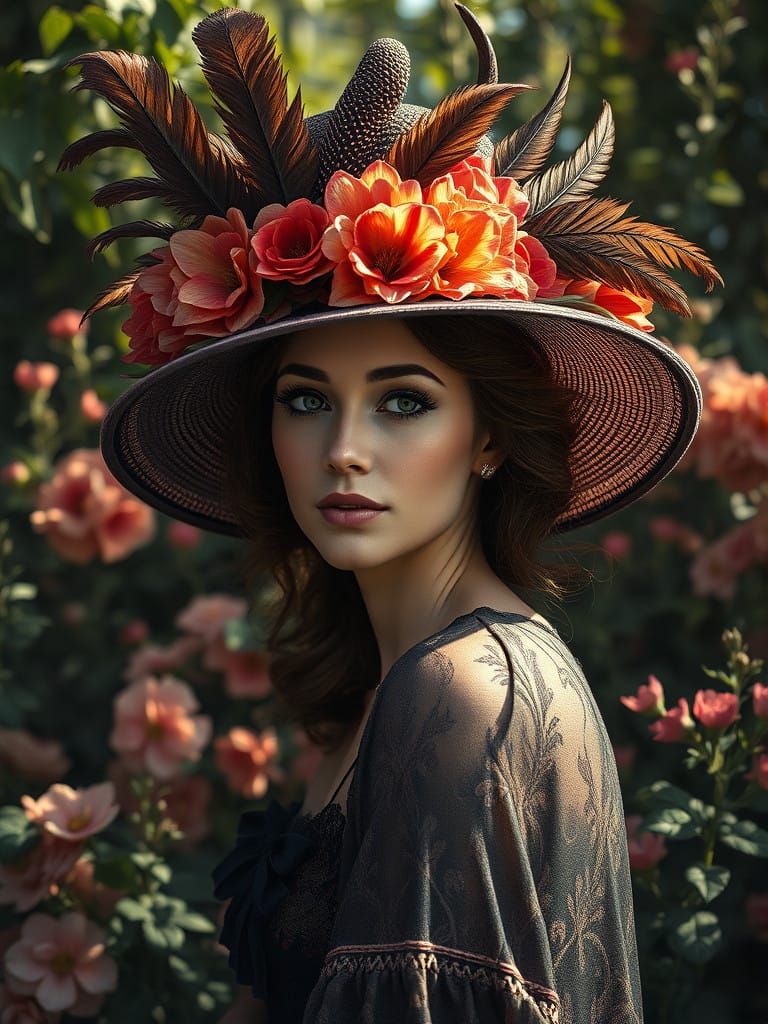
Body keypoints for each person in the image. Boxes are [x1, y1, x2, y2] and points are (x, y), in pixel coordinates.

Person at [59, 4, 723, 1021]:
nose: (346, 448)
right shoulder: (400, 683)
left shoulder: (461, 691)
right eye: (306, 399)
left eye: (404, 400)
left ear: (490, 435)